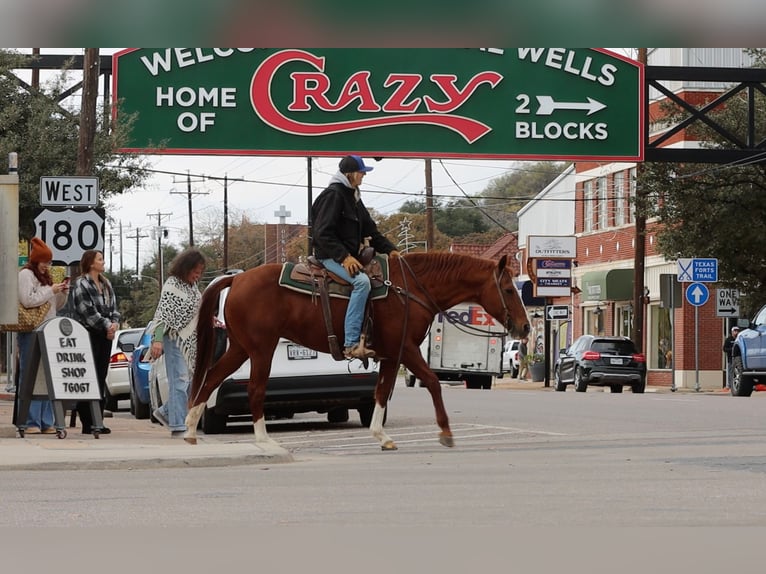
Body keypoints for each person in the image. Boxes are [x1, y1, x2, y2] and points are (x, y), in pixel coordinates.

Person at [311, 155, 399, 359]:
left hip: (347, 256)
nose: (364, 175)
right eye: (361, 171)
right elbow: (322, 233)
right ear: (350, 174)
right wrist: (344, 258)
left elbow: (371, 230)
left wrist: (391, 250)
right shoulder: (333, 195)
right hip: (329, 256)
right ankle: (351, 343)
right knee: (362, 283)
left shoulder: (353, 197)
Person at [150, 248, 206, 438]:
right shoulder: (172, 284)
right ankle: (177, 425)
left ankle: (166, 412)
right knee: (179, 382)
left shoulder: (192, 287)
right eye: (195, 271)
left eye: (200, 272)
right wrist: (157, 340)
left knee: (190, 382)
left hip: (188, 341)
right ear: (186, 268)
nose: (197, 275)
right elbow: (163, 315)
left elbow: (195, 311)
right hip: (173, 339)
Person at [17, 238, 69, 433]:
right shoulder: (26, 275)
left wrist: (61, 293)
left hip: (49, 329)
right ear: (36, 260)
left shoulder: (46, 279)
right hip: (31, 330)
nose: (47, 266)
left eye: (49, 262)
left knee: (48, 376)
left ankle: (46, 420)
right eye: (45, 262)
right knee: (30, 375)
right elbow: (28, 300)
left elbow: (55, 306)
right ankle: (30, 421)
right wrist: (50, 290)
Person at [71, 250, 120, 434]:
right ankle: (87, 422)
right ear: (91, 263)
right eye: (100, 259)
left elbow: (115, 308)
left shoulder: (106, 283)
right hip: (89, 334)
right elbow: (87, 312)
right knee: (88, 377)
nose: (103, 262)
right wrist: (107, 325)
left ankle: (98, 420)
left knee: (100, 377)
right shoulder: (81, 284)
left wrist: (114, 324)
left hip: (105, 335)